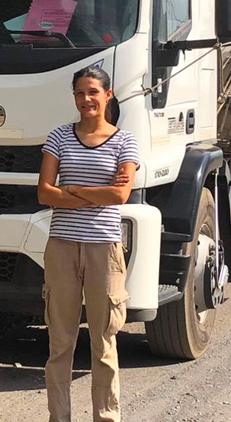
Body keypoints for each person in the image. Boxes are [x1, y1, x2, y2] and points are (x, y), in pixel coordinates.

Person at [37, 66, 140, 422]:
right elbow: (44, 193)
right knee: (60, 343)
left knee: (104, 343)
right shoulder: (59, 137)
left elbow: (120, 195)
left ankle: (106, 417)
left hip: (104, 250)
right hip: (62, 247)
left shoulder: (125, 142)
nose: (86, 99)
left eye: (93, 92)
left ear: (108, 95)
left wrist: (71, 190)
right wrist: (97, 194)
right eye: (80, 93)